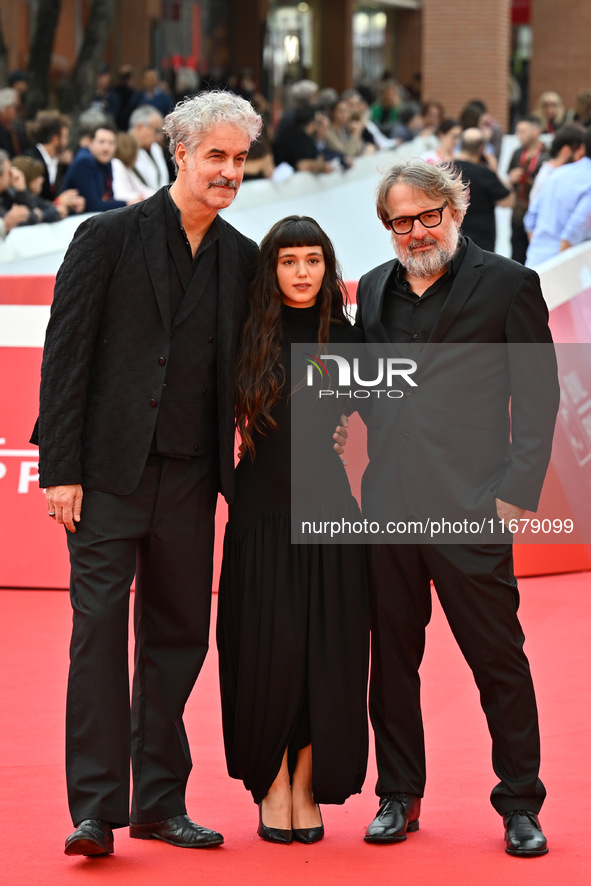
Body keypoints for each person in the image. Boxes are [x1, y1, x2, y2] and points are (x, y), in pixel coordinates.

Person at [31, 90, 262, 858]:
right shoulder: (106, 237)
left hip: (193, 480)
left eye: (239, 159)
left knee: (177, 640)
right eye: (216, 157)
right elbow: (65, 359)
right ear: (181, 155)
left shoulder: (242, 257)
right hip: (104, 477)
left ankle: (161, 802)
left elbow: (266, 363)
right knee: (96, 636)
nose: (228, 172)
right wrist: (60, 469)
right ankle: (96, 809)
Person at [354, 159, 559, 856]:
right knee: (391, 660)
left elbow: (536, 398)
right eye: (398, 222)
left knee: (498, 659)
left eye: (425, 215)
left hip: (471, 505)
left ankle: (519, 803)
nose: (414, 232)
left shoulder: (508, 284)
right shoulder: (373, 288)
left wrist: (513, 496)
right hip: (387, 507)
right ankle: (397, 794)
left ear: (454, 208)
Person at [217, 216, 369, 845]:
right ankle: (271, 783)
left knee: (325, 654)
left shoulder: (351, 339)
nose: (302, 272)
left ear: (328, 267)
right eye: (288, 261)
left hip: (332, 513)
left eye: (313, 260)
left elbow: (397, 423)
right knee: (266, 650)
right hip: (260, 516)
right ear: (270, 269)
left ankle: (307, 783)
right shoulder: (245, 335)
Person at [525, 125, 591, 267]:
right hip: (563, 270)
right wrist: (558, 266)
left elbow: (530, 217)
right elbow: (576, 228)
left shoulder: (558, 173)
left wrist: (539, 248)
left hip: (535, 263)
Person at [453, 127, 513, 252]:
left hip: (452, 239)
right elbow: (508, 201)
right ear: (481, 149)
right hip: (480, 244)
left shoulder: (446, 170)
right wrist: (495, 171)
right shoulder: (485, 174)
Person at [507, 114, 549, 264]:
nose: (519, 135)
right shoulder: (517, 153)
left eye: (522, 131)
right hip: (518, 213)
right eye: (517, 131)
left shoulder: (547, 154)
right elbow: (509, 181)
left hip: (539, 214)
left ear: (536, 131)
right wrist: (511, 179)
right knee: (517, 256)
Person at [62, 123, 131, 212]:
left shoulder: (106, 161)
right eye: (101, 142)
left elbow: (109, 197)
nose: (106, 148)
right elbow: (94, 206)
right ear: (90, 143)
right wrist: (127, 204)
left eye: (111, 143)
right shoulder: (84, 162)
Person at [528, 122, 586, 204]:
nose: (583, 162)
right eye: (580, 156)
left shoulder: (551, 174)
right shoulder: (550, 180)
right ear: (566, 151)